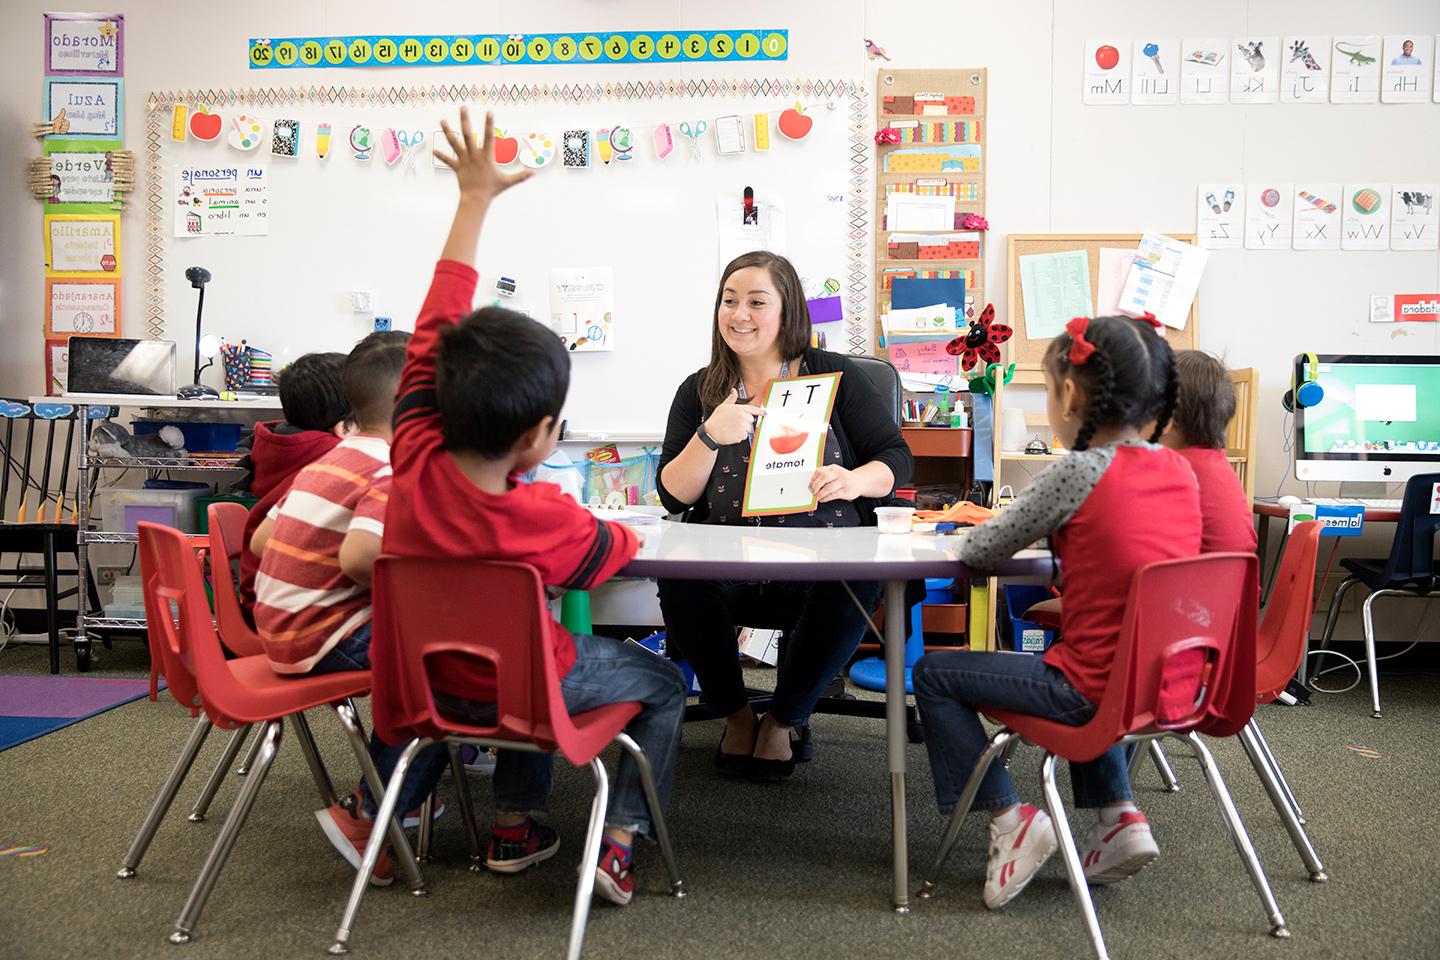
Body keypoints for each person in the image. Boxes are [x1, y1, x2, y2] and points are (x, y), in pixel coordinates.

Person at [377, 108, 686, 907]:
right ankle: (618, 841)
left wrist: (473, 199)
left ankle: (501, 819)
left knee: (532, 647)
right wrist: (616, 526)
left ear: (437, 399)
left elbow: (434, 323)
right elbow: (612, 548)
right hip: (523, 695)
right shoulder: (545, 519)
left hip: (423, 692)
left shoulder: (409, 455)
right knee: (657, 680)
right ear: (539, 435)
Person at [913, 315, 1200, 910]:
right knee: (1095, 655)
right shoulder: (1181, 472)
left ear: (1070, 393)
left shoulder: (1076, 472)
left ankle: (1009, 818)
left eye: (1048, 391)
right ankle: (1116, 816)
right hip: (1162, 685)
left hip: (1088, 691)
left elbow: (983, 551)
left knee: (935, 675)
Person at [654, 250, 913, 782]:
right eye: (729, 301)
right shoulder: (700, 390)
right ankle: (736, 713)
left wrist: (855, 480)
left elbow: (896, 459)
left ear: (788, 309)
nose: (739, 314)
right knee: (679, 578)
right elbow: (672, 497)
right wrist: (709, 436)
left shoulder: (833, 374)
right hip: (727, 566)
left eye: (756, 301)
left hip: (822, 561)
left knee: (852, 582)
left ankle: (783, 720)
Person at [251, 333, 436, 887]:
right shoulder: (391, 468)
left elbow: (261, 541)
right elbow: (360, 559)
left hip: (278, 628)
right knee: (446, 671)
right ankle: (369, 813)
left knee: (428, 652)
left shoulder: (334, 458)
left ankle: (397, 787)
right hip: (320, 634)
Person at [239, 352, 351, 621]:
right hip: (288, 610)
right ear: (345, 428)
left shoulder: (282, 447)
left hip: (265, 596)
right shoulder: (336, 460)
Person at [1160, 350, 1257, 555]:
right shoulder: (1220, 466)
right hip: (1236, 586)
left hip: (1190, 585)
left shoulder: (1172, 470)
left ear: (1165, 420)